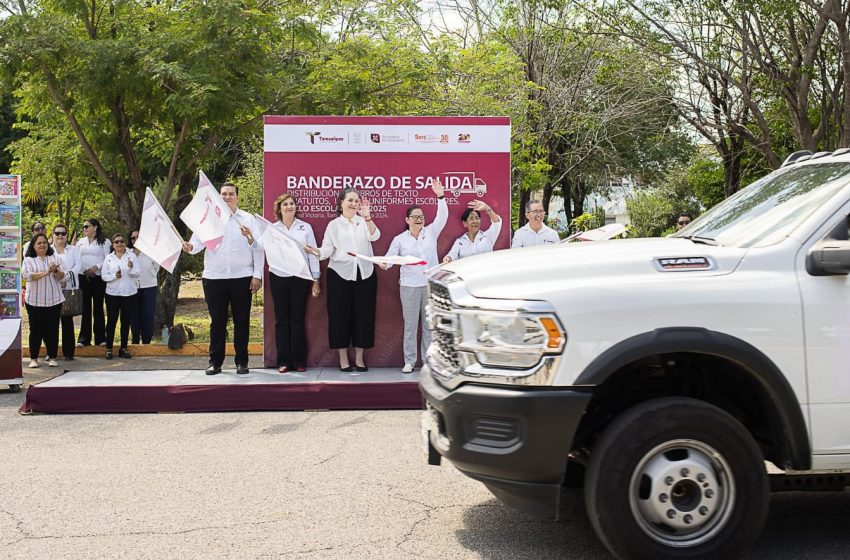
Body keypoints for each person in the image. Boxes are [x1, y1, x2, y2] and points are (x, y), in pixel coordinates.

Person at [183, 183, 263, 375]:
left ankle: (242, 362)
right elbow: (196, 244)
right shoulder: (209, 220)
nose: (227, 197)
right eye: (224, 194)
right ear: (218, 197)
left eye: (231, 194)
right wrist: (189, 247)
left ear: (237, 197)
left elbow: (259, 248)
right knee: (217, 322)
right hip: (214, 278)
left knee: (241, 321)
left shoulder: (248, 219)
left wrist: (257, 275)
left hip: (242, 278)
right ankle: (215, 362)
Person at [305, 188, 380, 372]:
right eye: (350, 200)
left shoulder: (363, 222)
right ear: (341, 203)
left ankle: (360, 359)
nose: (354, 204)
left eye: (357, 201)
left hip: (365, 274)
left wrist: (368, 217)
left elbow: (375, 236)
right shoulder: (334, 225)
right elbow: (326, 251)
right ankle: (343, 359)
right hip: (339, 275)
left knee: (364, 317)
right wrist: (316, 252)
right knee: (339, 317)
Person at [381, 179, 448, 373]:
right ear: (407, 219)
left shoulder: (431, 232)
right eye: (415, 216)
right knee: (410, 326)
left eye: (421, 216)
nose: (419, 219)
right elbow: (391, 258)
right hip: (409, 286)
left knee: (429, 326)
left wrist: (440, 196)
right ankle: (409, 361)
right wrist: (385, 263)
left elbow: (442, 216)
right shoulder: (400, 240)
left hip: (429, 285)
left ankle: (428, 362)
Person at [269, 194, 320, 373]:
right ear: (279, 208)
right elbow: (261, 248)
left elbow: (312, 254)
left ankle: (299, 361)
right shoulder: (272, 229)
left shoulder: (305, 228)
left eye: (292, 204)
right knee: (281, 320)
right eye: (285, 204)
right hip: (278, 277)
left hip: (300, 278)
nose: (289, 207)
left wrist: (316, 280)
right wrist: (250, 237)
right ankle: (283, 361)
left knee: (297, 320)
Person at [21, 233, 65, 368]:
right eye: (39, 243)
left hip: (54, 300)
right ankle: (34, 359)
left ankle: (52, 357)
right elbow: (27, 276)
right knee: (36, 330)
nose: (42, 245)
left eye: (44, 242)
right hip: (34, 301)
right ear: (33, 246)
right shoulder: (28, 260)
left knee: (52, 329)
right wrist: (47, 272)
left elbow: (63, 276)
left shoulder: (55, 257)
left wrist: (56, 271)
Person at [101, 233, 139, 359]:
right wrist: (113, 276)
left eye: (121, 241)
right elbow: (104, 276)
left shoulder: (132, 256)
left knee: (125, 321)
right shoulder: (108, 258)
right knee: (111, 321)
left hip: (129, 293)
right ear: (113, 245)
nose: (119, 244)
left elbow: (137, 273)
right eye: (116, 242)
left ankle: (123, 348)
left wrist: (131, 268)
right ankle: (109, 348)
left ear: (125, 243)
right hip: (113, 293)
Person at [76, 218, 111, 347]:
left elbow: (108, 259)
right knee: (85, 308)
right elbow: (77, 259)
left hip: (98, 278)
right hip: (84, 277)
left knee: (98, 307)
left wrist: (96, 267)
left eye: (87, 226)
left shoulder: (105, 242)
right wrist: (83, 270)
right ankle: (84, 338)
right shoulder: (80, 242)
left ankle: (100, 337)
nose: (85, 229)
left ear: (95, 227)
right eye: (84, 227)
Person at [51, 223, 80, 360]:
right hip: (51, 288)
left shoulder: (74, 250)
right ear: (53, 235)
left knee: (67, 321)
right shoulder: (48, 250)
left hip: (68, 288)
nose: (60, 236)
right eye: (57, 233)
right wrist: (58, 279)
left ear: (67, 235)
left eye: (63, 233)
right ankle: (52, 353)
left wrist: (64, 277)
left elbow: (77, 267)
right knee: (52, 322)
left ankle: (69, 352)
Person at [129, 230, 160, 345]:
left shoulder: (151, 252)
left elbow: (156, 268)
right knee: (134, 315)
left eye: (138, 237)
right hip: (132, 288)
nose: (135, 239)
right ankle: (135, 341)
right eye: (133, 238)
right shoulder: (128, 253)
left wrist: (148, 277)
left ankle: (146, 341)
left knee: (148, 315)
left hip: (149, 286)